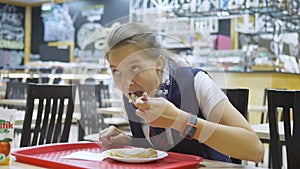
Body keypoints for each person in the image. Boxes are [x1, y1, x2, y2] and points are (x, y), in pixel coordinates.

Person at [99, 22, 264, 163]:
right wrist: (130, 141)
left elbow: (255, 150)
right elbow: (164, 150)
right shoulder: (131, 93)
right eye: (116, 71)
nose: (126, 81)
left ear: (158, 62)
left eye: (134, 68)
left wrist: (180, 120)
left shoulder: (195, 82)